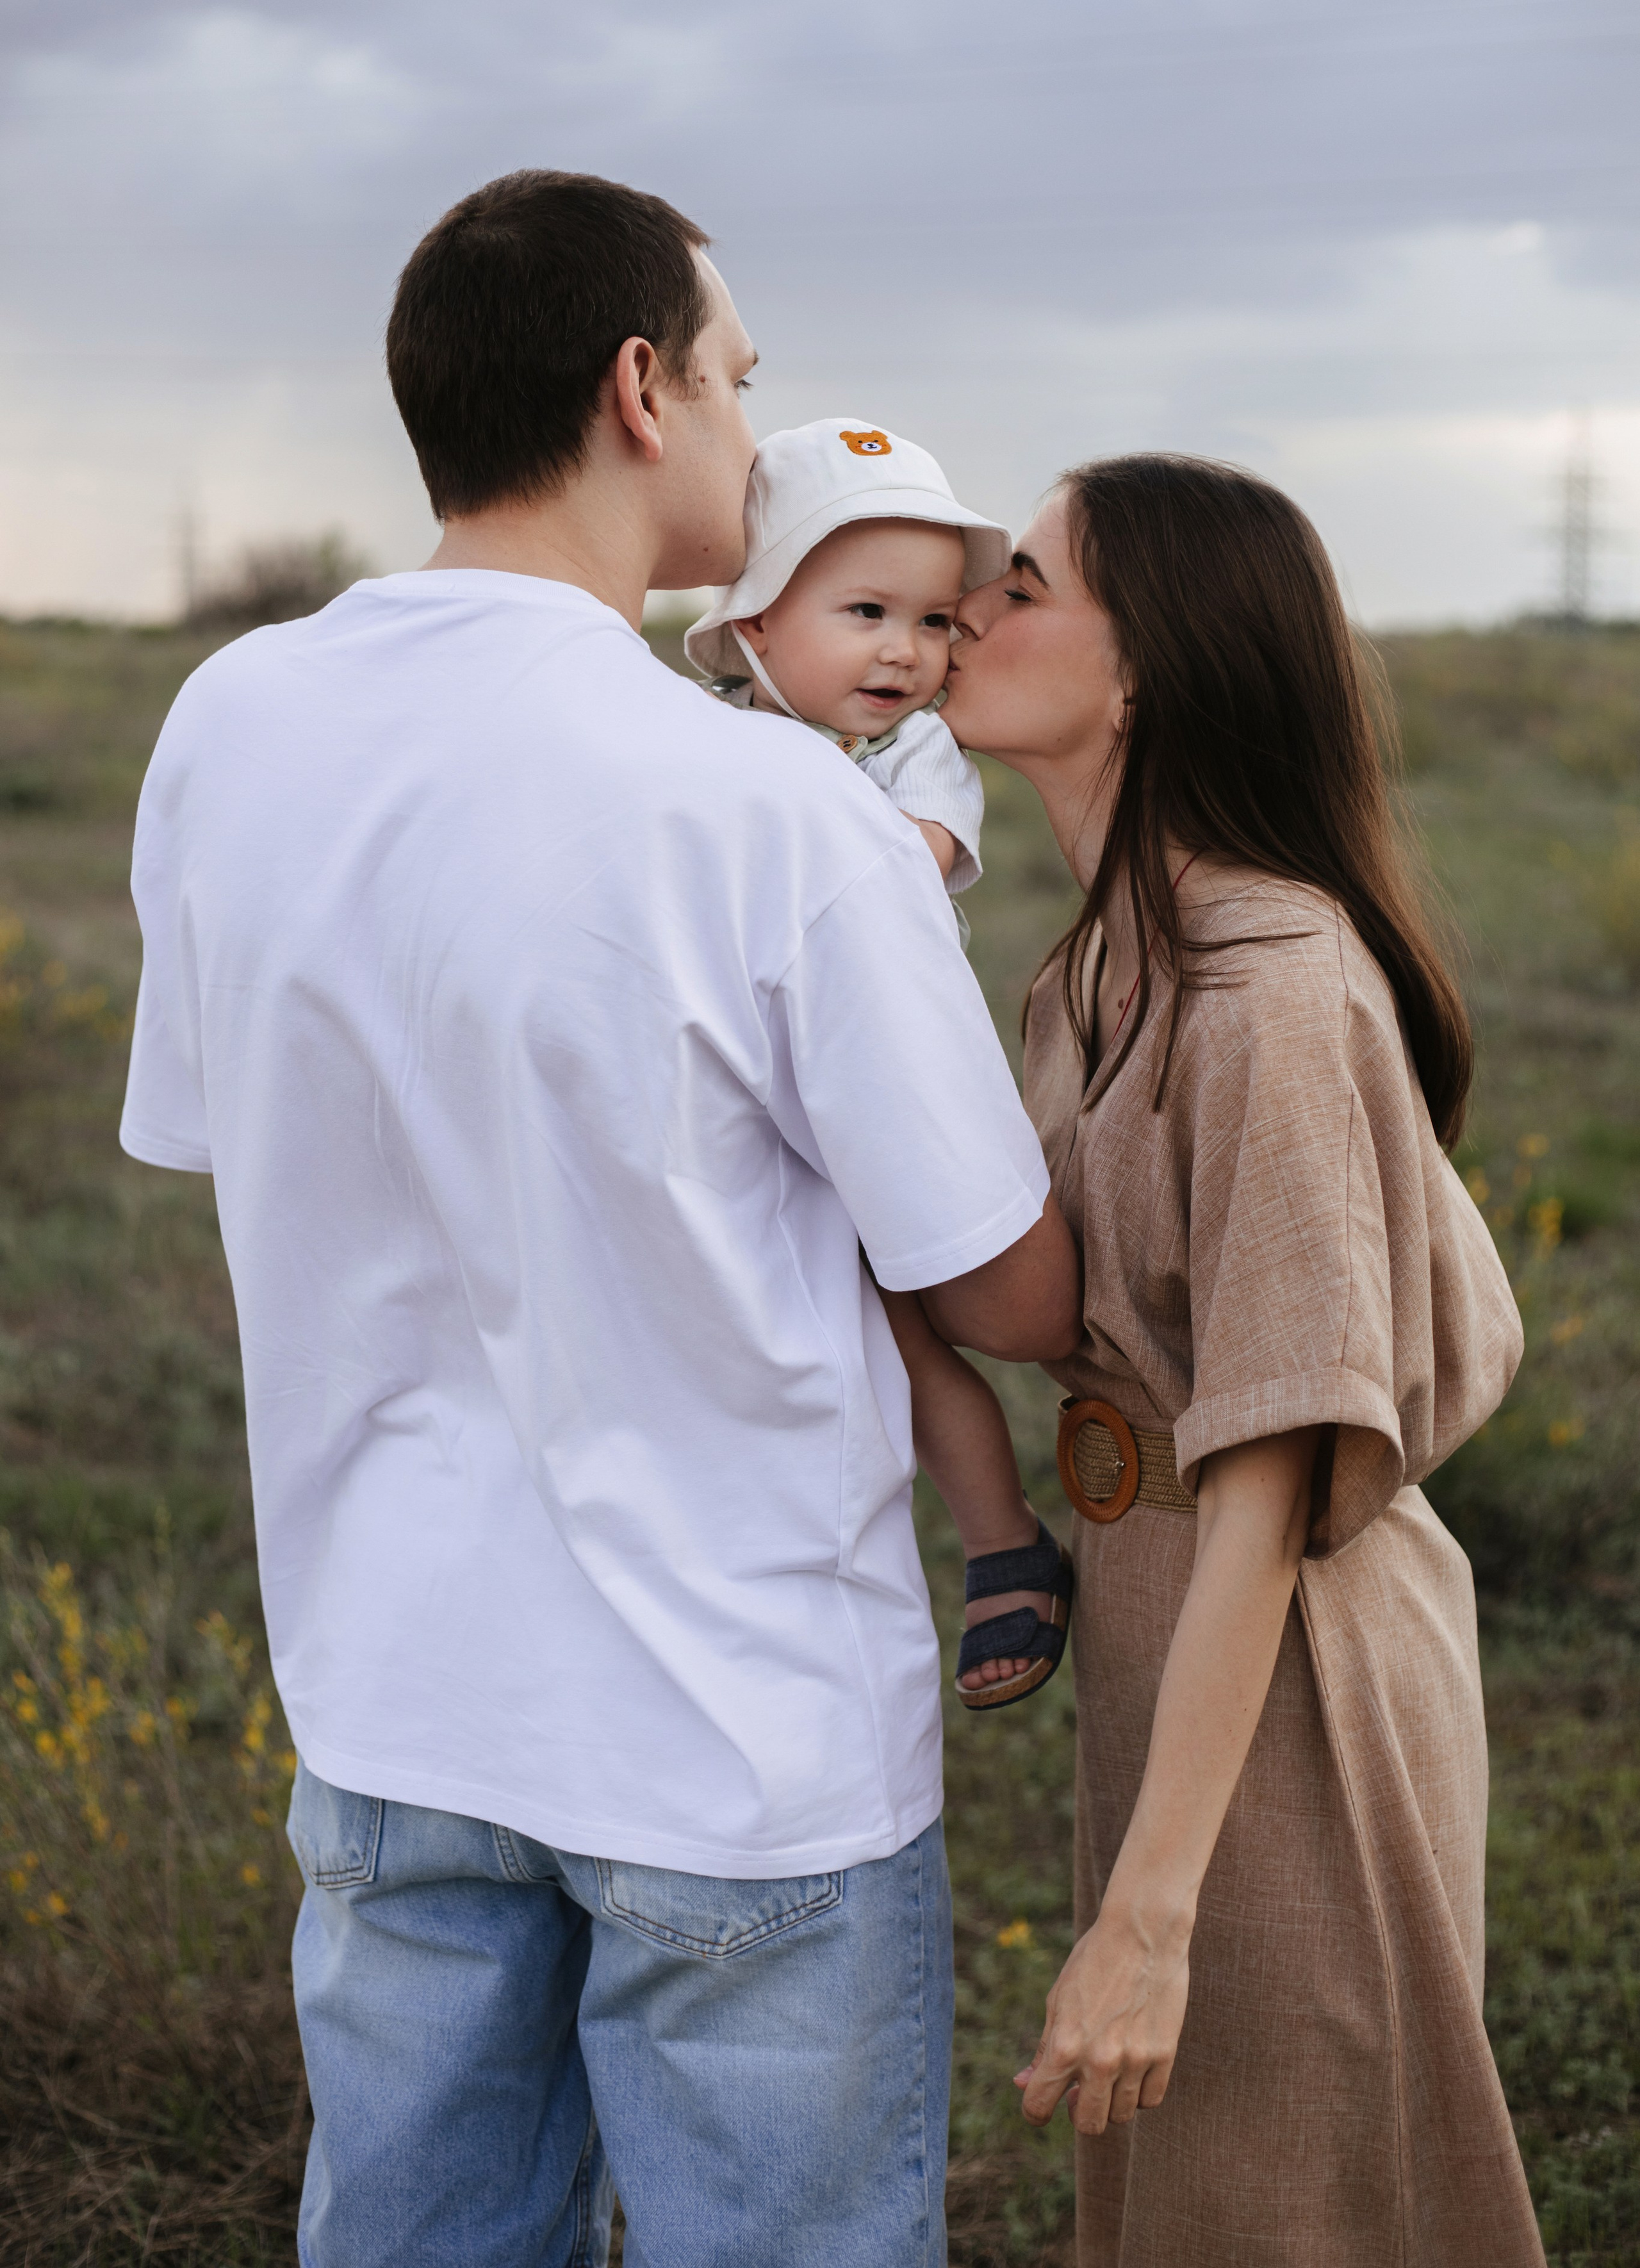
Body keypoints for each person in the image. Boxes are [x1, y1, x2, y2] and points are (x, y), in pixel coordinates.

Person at [118, 168, 1081, 2268]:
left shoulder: (229, 727)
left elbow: (236, 1139)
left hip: (386, 1708)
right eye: (741, 379)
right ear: (639, 389)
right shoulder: (775, 811)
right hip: (739, 1743)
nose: (756, 431)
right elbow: (1006, 1291)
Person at [940, 453, 1546, 2268]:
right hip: (1171, 1625)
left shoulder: (1275, 991)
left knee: (1291, 2202)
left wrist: (1148, 1912)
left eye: (1023, 584)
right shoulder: (1097, 968)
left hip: (1297, 1667)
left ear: (1153, 667)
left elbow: (1274, 1480)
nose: (969, 610)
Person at [684, 416, 1075, 1709]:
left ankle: (1000, 1534)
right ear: (752, 627)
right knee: (819, 1337)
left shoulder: (913, 756)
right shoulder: (701, 737)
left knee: (915, 1346)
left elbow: (883, 878)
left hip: (875, 1100)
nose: (905, 651)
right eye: (863, 611)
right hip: (750, 1097)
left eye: (929, 620)